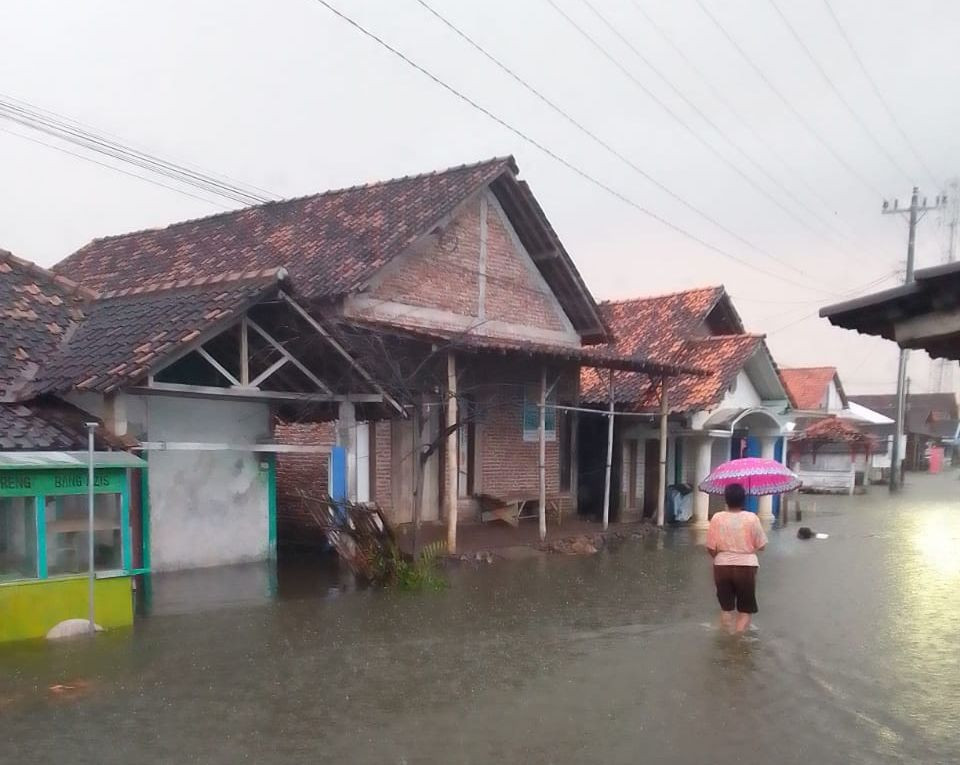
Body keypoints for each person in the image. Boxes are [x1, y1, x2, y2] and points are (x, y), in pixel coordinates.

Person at [706, 483, 768, 635]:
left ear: (726, 500)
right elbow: (762, 546)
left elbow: (710, 547)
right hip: (746, 567)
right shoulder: (752, 518)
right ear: (743, 500)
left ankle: (725, 636)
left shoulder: (717, 518)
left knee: (726, 608)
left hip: (722, 566)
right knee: (745, 609)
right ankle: (737, 642)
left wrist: (720, 557)